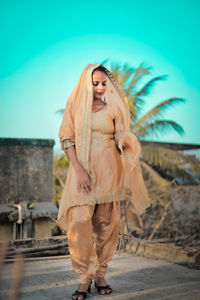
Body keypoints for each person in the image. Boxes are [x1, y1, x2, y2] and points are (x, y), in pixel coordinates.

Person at [56, 64, 150, 300]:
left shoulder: (114, 109)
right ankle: (83, 278)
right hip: (82, 173)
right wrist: (78, 171)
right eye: (95, 83)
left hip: (110, 172)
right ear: (85, 83)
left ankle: (100, 275)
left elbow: (121, 136)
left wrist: (128, 144)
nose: (99, 87)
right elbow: (67, 139)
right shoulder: (76, 107)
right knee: (79, 225)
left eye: (103, 83)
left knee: (106, 226)